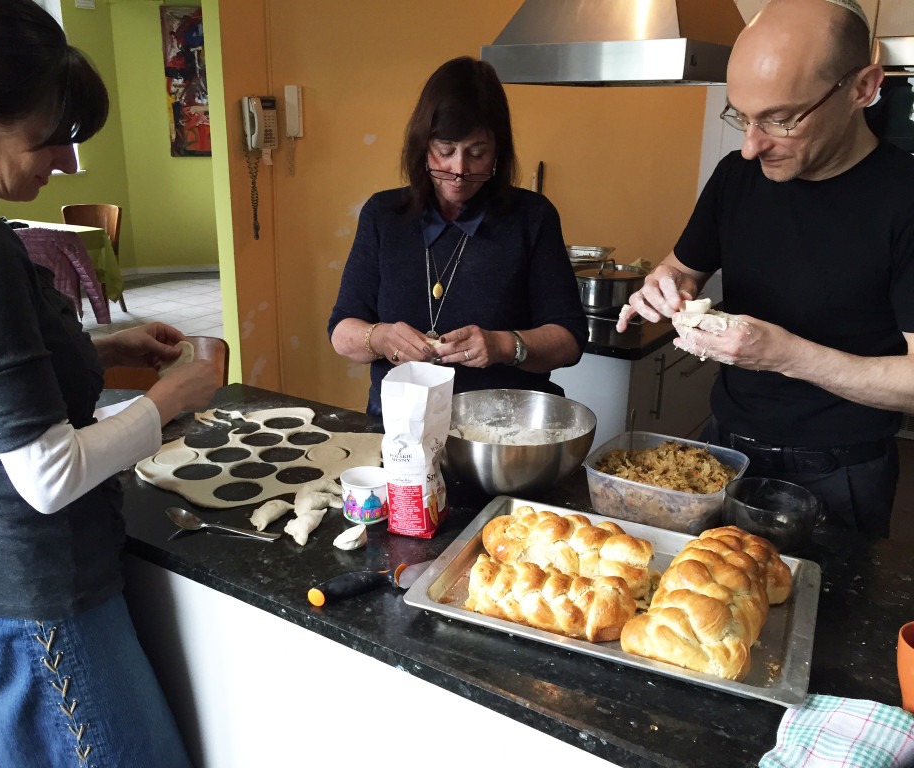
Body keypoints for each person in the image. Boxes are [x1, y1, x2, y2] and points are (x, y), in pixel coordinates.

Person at [0, 1, 217, 765]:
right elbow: (44, 473)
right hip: (40, 597)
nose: (64, 163)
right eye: (50, 139)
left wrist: (103, 346)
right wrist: (162, 403)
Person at [616, 0, 914, 537]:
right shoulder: (737, 176)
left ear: (863, 89)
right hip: (722, 450)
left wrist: (784, 356)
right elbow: (681, 268)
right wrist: (663, 287)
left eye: (781, 119)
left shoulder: (905, 199)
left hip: (838, 473)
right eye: (742, 117)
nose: (751, 146)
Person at [328, 56, 587, 416]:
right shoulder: (383, 215)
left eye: (477, 154)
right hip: (401, 430)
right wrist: (383, 338)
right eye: (445, 151)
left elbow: (570, 340)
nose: (459, 171)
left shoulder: (532, 217)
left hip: (503, 435)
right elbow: (343, 333)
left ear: (498, 152)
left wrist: (502, 345)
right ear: (422, 147)